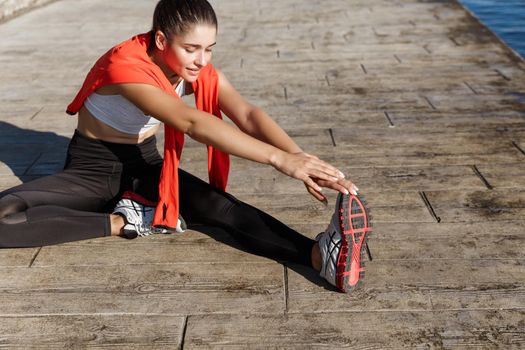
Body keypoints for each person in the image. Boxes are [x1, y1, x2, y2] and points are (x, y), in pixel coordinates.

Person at [0, 0, 371, 293]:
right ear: (161, 41)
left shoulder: (192, 66)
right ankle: (125, 221)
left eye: (209, 49)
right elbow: (190, 122)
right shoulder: (125, 67)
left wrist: (299, 158)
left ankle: (321, 253)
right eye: (192, 48)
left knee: (220, 207)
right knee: (3, 215)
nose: (202, 61)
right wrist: (278, 160)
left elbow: (247, 113)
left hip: (144, 165)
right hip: (92, 169)